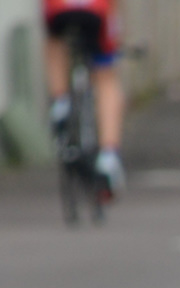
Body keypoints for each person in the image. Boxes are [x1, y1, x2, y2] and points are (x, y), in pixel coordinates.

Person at [42, 0, 126, 195]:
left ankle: (60, 102)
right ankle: (109, 156)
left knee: (54, 40)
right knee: (106, 78)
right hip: (97, 10)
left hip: (59, 9)